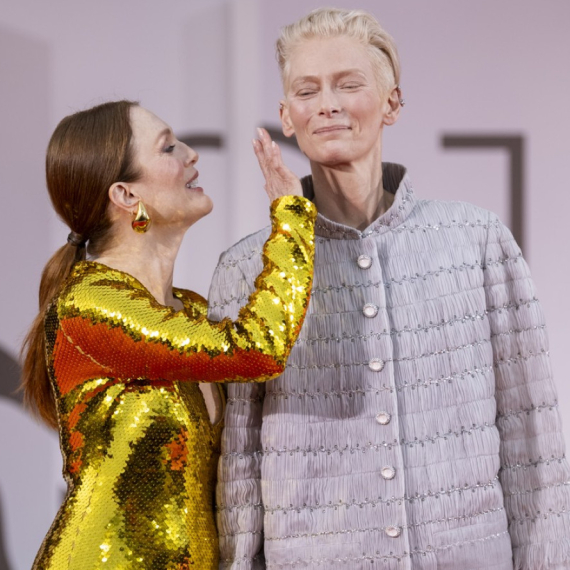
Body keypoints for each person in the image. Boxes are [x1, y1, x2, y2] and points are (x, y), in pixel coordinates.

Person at [210, 8, 570, 570]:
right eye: (307, 90)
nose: (327, 104)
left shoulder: (476, 240)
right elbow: (238, 458)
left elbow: (532, 434)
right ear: (286, 116)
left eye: (348, 84)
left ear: (392, 103)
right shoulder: (246, 267)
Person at [21, 100, 316, 569]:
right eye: (168, 148)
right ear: (125, 195)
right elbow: (258, 348)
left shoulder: (191, 310)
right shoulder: (90, 304)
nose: (191, 154)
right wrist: (293, 216)